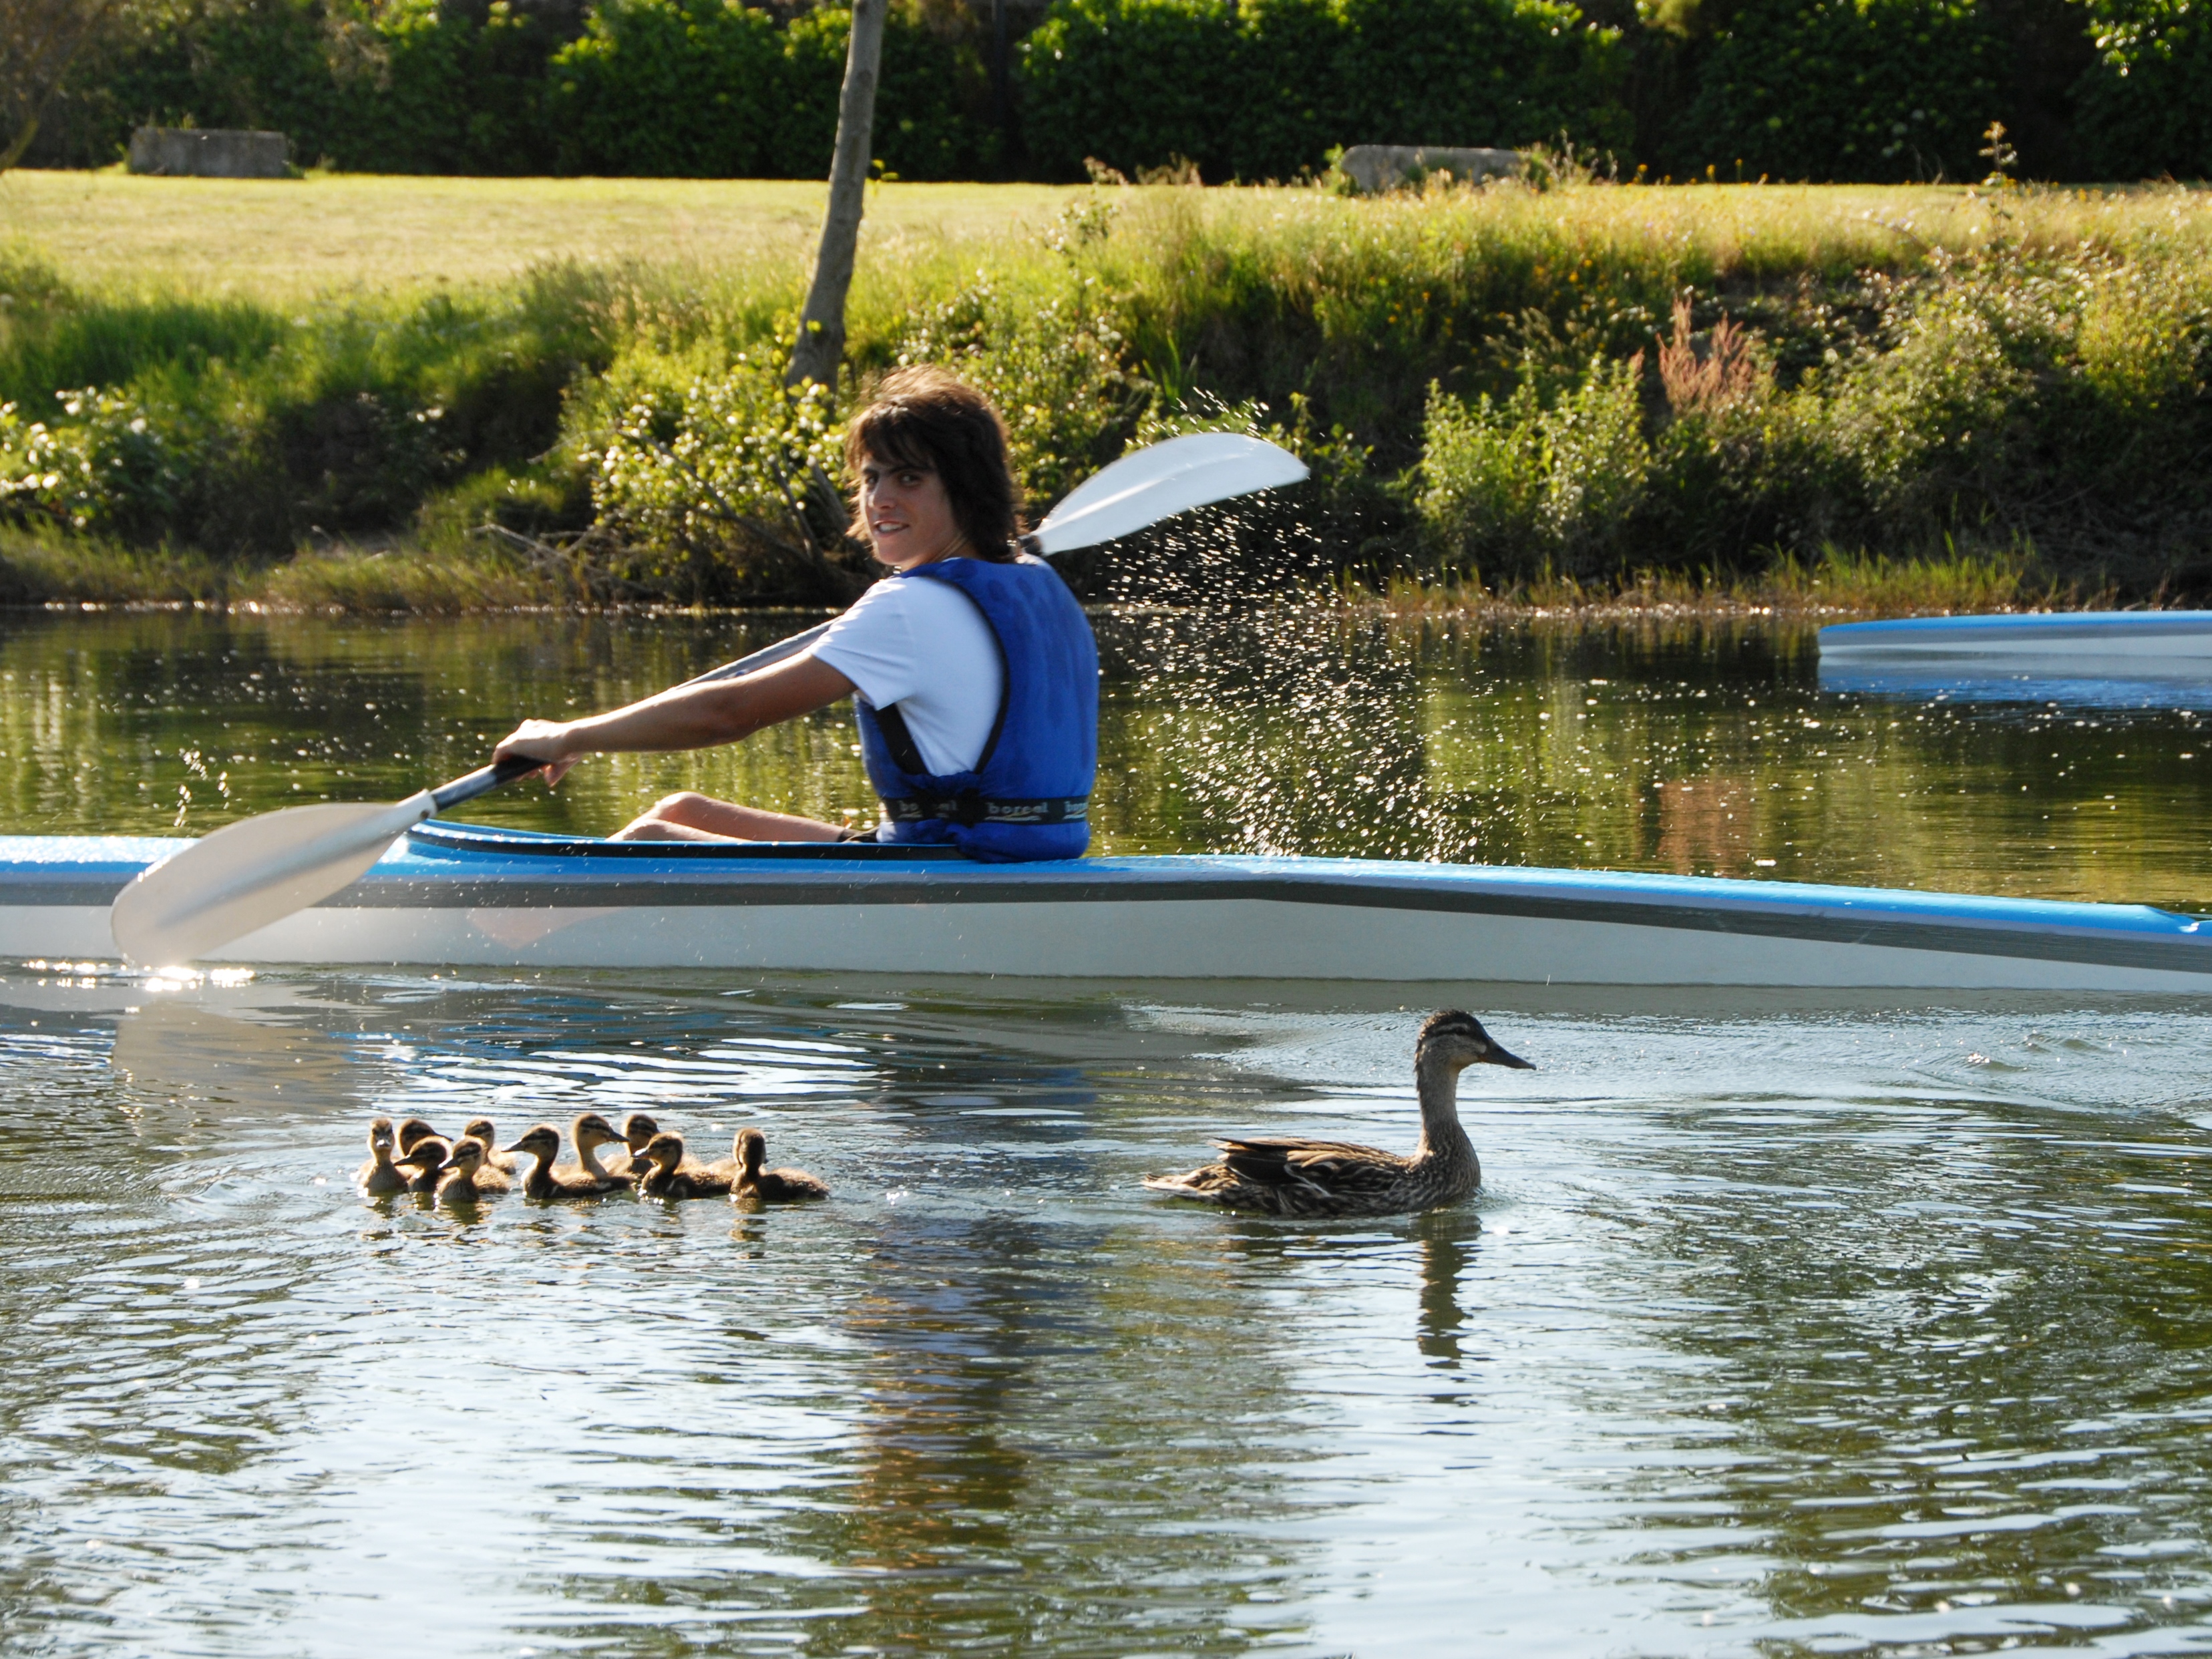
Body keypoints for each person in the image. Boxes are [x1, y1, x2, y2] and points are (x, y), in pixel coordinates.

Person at [492, 366, 1097, 863]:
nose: (880, 498)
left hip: (954, 867)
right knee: (680, 813)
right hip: (1022, 852)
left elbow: (725, 715)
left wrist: (568, 736)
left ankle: (528, 958)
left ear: (966, 489)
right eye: (872, 477)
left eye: (909, 478)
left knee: (653, 841)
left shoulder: (908, 608)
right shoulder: (1034, 582)